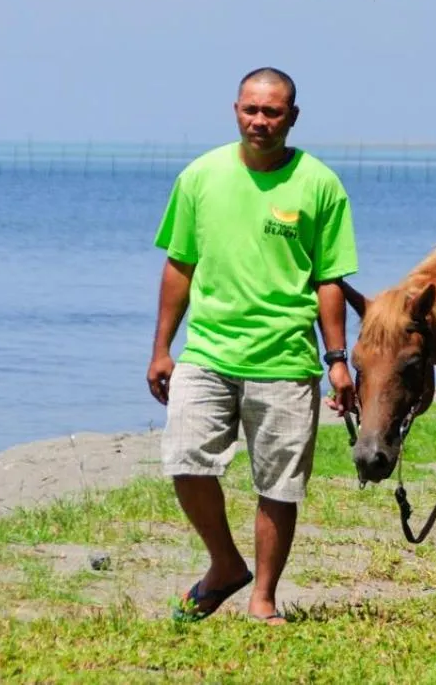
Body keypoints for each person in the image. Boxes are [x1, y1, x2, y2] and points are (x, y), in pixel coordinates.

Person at [146, 67, 359, 624]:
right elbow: (179, 265)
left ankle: (263, 597)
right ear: (235, 110)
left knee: (280, 484)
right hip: (207, 352)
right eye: (250, 110)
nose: (260, 121)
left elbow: (330, 280)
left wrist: (338, 361)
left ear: (292, 116)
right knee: (185, 461)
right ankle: (224, 564)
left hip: (286, 357)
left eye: (272, 112)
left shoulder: (320, 184)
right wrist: (162, 348)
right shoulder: (199, 176)